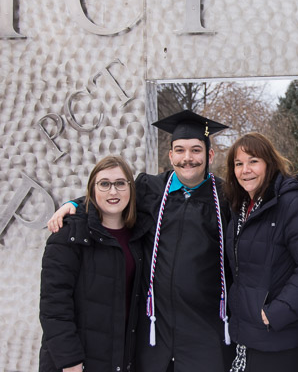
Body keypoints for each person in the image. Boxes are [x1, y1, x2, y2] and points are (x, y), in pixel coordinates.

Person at [47, 110, 235, 372]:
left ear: (209, 155)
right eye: (179, 150)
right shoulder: (150, 189)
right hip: (153, 333)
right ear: (170, 155)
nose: (187, 158)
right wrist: (74, 205)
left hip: (204, 333)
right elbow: (113, 196)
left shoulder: (225, 198)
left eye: (195, 150)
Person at [223, 133, 298, 372]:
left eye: (253, 161)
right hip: (248, 335)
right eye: (238, 164)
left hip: (283, 338)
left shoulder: (293, 202)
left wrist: (278, 312)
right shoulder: (241, 207)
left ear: (269, 163)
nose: (245, 170)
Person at [39, 155, 149, 372]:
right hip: (76, 362)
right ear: (92, 189)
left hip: (119, 358)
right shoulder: (70, 234)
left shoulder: (139, 234)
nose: (113, 191)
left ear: (131, 188)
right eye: (104, 184)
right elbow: (54, 305)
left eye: (120, 183)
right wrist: (70, 362)